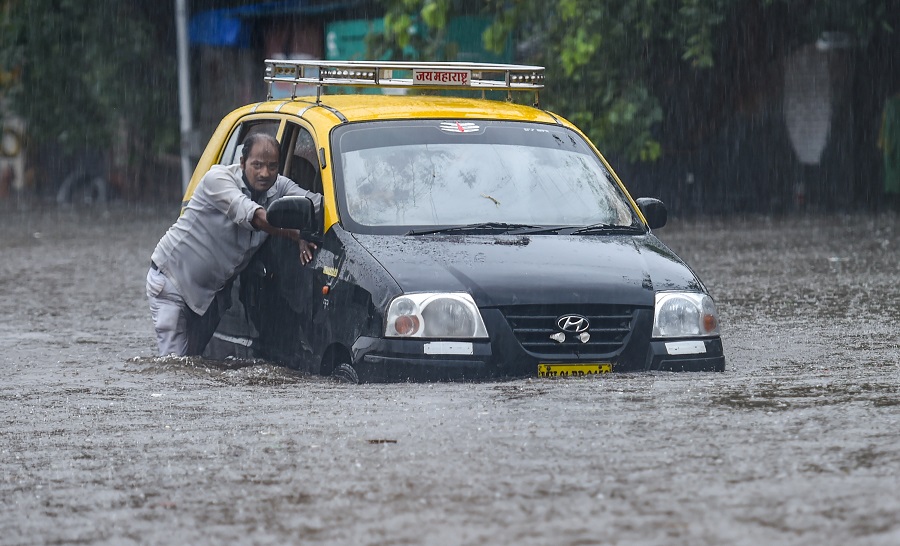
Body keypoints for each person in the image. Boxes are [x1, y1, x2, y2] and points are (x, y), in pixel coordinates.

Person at [146, 133, 322, 357]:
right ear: (242, 162)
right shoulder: (217, 180)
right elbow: (256, 217)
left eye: (272, 166)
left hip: (212, 295)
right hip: (173, 282)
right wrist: (296, 234)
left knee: (193, 363)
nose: (265, 173)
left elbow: (318, 205)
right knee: (174, 364)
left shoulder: (280, 187)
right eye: (257, 165)